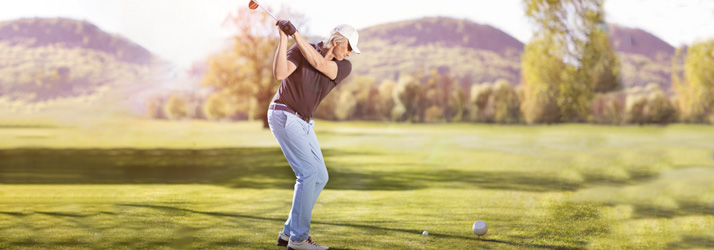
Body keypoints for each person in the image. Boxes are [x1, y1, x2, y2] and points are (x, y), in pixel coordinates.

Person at [269, 19, 360, 250]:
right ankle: (299, 240)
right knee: (308, 173)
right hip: (284, 114)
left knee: (320, 176)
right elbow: (280, 73)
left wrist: (295, 33)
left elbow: (320, 63)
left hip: (303, 122)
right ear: (337, 41)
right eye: (348, 47)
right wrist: (283, 38)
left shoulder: (344, 67)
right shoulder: (300, 49)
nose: (349, 53)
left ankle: (288, 233)